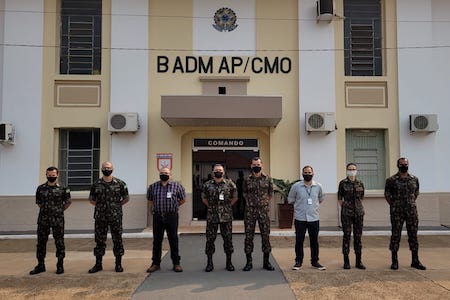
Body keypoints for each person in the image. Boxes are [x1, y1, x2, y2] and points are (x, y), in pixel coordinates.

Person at [385, 157, 426, 270]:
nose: (404, 166)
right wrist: (395, 205)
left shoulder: (414, 179)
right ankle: (394, 261)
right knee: (395, 235)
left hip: (411, 212)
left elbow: (416, 193)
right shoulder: (391, 180)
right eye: (402, 164)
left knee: (413, 235)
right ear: (398, 165)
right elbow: (387, 195)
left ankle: (415, 260)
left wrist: (409, 203)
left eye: (406, 164)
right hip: (397, 212)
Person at [88, 161, 129, 273]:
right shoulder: (96, 184)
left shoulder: (120, 183)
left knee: (117, 239)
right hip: (100, 217)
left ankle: (118, 264)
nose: (107, 169)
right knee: (99, 240)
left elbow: (126, 198)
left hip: (115, 217)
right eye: (105, 167)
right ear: (101, 169)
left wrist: (116, 206)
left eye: (109, 167)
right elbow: (91, 199)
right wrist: (101, 206)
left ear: (112, 169)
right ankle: (98, 264)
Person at [30, 166, 71, 275]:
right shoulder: (40, 188)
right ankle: (40, 265)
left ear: (57, 175)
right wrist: (47, 210)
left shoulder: (63, 188)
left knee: (59, 242)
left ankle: (60, 265)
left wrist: (58, 210)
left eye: (53, 175)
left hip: (58, 220)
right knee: (41, 243)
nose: (51, 177)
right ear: (46, 175)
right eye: (49, 175)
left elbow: (67, 203)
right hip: (43, 219)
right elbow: (38, 202)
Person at [146, 167, 186, 273]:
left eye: (166, 173)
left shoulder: (177, 186)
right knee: (157, 241)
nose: (164, 174)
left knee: (173, 240)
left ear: (170, 175)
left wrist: (174, 206)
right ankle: (155, 264)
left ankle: (176, 263)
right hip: (158, 216)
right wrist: (152, 210)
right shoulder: (153, 186)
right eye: (162, 173)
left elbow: (183, 199)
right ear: (159, 174)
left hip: (171, 216)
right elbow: (150, 200)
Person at [288, 165, 326, 271]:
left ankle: (315, 261)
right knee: (299, 241)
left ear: (313, 174)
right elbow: (291, 199)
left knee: (314, 241)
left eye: (309, 173)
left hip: (314, 218)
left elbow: (321, 198)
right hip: (300, 218)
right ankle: (298, 261)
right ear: (302, 173)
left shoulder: (318, 186)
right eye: (305, 173)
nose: (307, 174)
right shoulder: (296, 186)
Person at [202, 163, 238, 272]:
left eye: (220, 170)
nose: (218, 172)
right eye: (216, 170)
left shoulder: (230, 184)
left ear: (223, 172)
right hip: (212, 216)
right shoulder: (207, 185)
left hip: (226, 217)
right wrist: (212, 207)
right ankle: (209, 263)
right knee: (210, 240)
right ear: (212, 172)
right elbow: (204, 198)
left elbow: (235, 197)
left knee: (228, 240)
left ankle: (229, 263)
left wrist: (226, 207)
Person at [242, 157, 275, 271]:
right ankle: (248, 262)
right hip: (250, 212)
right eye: (254, 164)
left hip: (263, 212)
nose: (256, 166)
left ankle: (266, 262)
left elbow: (270, 193)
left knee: (265, 236)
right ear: (251, 166)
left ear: (262, 165)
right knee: (248, 236)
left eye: (258, 164)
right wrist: (252, 203)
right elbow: (244, 193)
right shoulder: (247, 179)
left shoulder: (268, 179)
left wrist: (263, 202)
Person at [337, 163, 366, 270]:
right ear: (347, 170)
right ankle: (346, 261)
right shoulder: (342, 183)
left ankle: (359, 261)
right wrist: (345, 207)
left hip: (359, 213)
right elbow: (339, 198)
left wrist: (356, 207)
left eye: (354, 169)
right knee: (347, 236)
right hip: (346, 214)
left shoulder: (360, 183)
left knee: (358, 237)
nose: (352, 171)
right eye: (350, 169)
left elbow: (362, 197)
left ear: (356, 170)